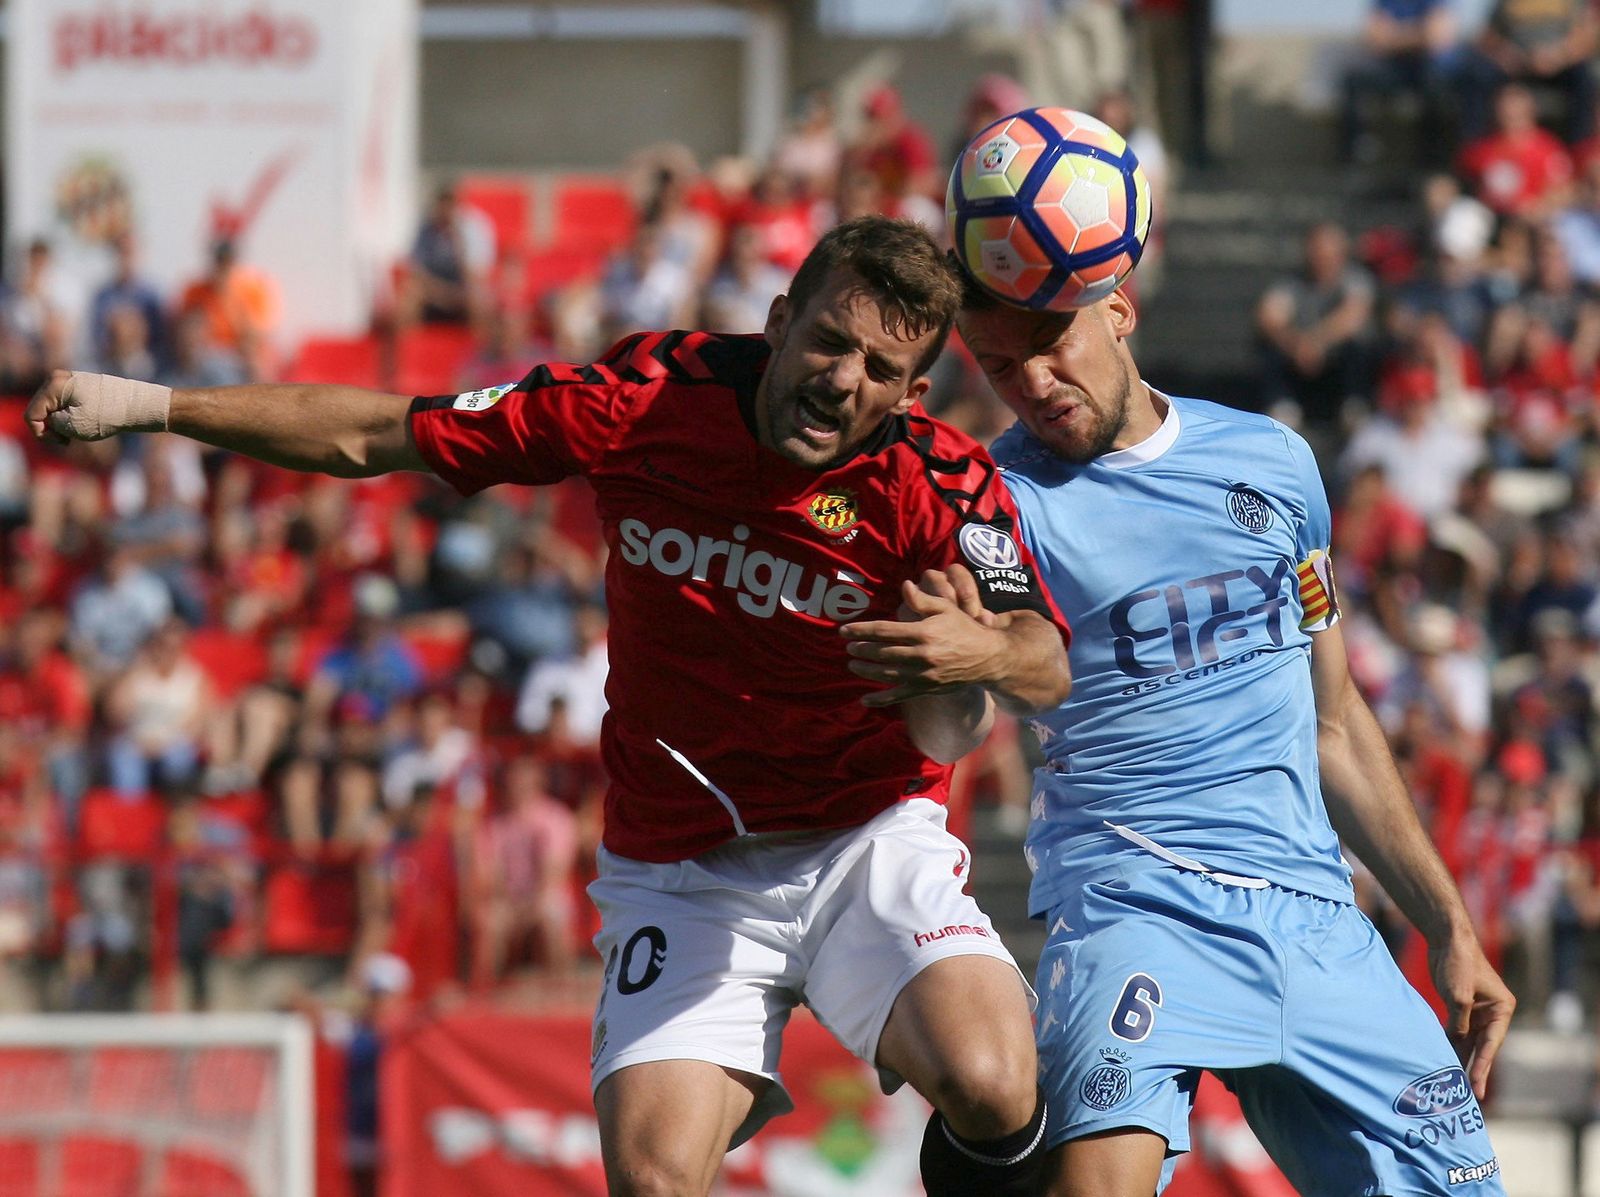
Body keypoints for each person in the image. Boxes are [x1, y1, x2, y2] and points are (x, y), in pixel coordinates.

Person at [28, 215, 1073, 1197]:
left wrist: (974, 647)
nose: (840, 381)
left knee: (993, 1083)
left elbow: (1043, 658)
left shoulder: (938, 482)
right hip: (684, 864)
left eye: (879, 370)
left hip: (862, 840)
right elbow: (377, 434)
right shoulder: (646, 399)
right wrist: (154, 405)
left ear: (913, 391)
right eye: (829, 341)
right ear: (778, 319)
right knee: (655, 1178)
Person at [952, 262, 1514, 1194]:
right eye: (999, 366)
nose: (1033, 385)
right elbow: (986, 689)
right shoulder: (996, 500)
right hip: (1133, 904)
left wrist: (1448, 924)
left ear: (1120, 310)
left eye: (1049, 348)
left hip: (1316, 919)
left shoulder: (1275, 463)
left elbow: (1331, 718)